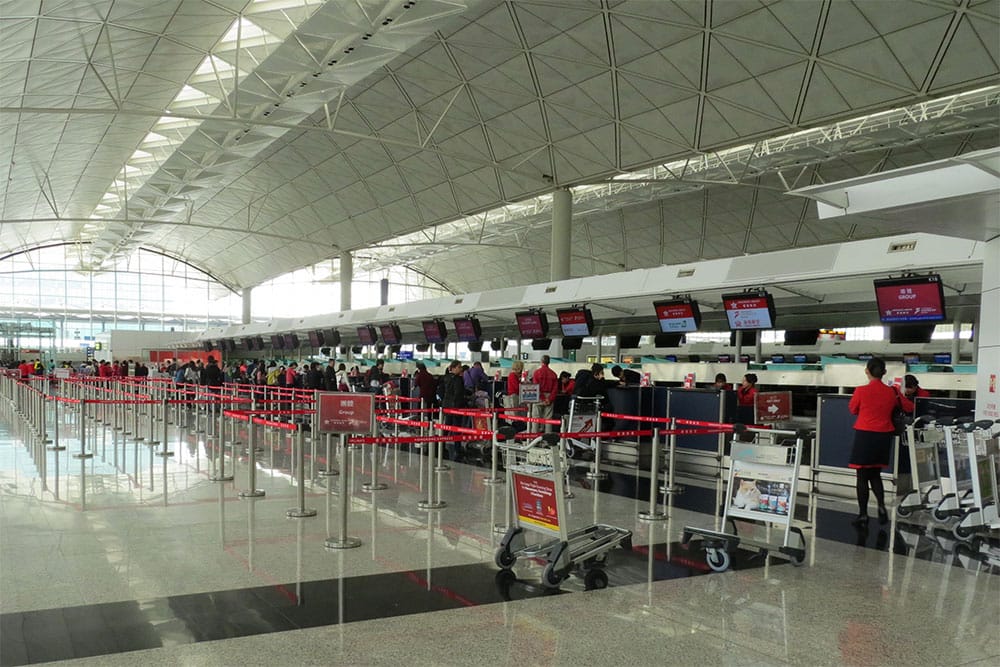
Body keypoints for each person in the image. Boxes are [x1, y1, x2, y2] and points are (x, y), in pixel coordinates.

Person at [848, 357, 914, 526]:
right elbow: (909, 407)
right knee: (875, 474)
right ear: (884, 372)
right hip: (884, 437)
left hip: (865, 435)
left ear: (867, 371)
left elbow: (852, 409)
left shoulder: (861, 391)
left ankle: (863, 514)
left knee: (862, 477)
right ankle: (882, 506)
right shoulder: (892, 392)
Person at [439, 360, 467, 460]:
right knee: (457, 429)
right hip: (455, 407)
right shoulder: (458, 380)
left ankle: (441, 446)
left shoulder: (445, 378)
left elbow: (441, 391)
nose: (461, 369)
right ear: (454, 368)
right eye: (459, 367)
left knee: (447, 427)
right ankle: (457, 449)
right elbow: (458, 393)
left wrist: (444, 401)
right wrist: (461, 403)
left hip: (446, 406)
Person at [531, 355, 559, 431]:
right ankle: (548, 439)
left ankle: (534, 437)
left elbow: (536, 387)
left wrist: (543, 398)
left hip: (539, 397)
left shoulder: (537, 373)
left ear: (541, 362)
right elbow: (555, 389)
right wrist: (549, 399)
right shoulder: (553, 374)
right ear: (549, 362)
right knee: (548, 419)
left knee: (535, 418)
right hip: (550, 396)